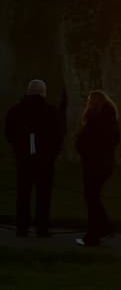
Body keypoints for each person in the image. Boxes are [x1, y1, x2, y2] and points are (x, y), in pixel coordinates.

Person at [4, 79, 65, 238]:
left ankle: (22, 227)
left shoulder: (16, 110)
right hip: (45, 160)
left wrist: (18, 147)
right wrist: (52, 154)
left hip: (24, 158)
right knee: (43, 196)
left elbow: (9, 132)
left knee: (23, 194)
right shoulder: (51, 111)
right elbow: (58, 136)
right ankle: (41, 227)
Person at [75, 90, 120, 246]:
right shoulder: (111, 120)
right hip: (106, 163)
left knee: (91, 198)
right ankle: (103, 228)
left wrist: (81, 147)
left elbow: (85, 141)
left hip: (93, 163)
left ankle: (96, 233)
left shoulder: (94, 120)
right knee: (93, 197)